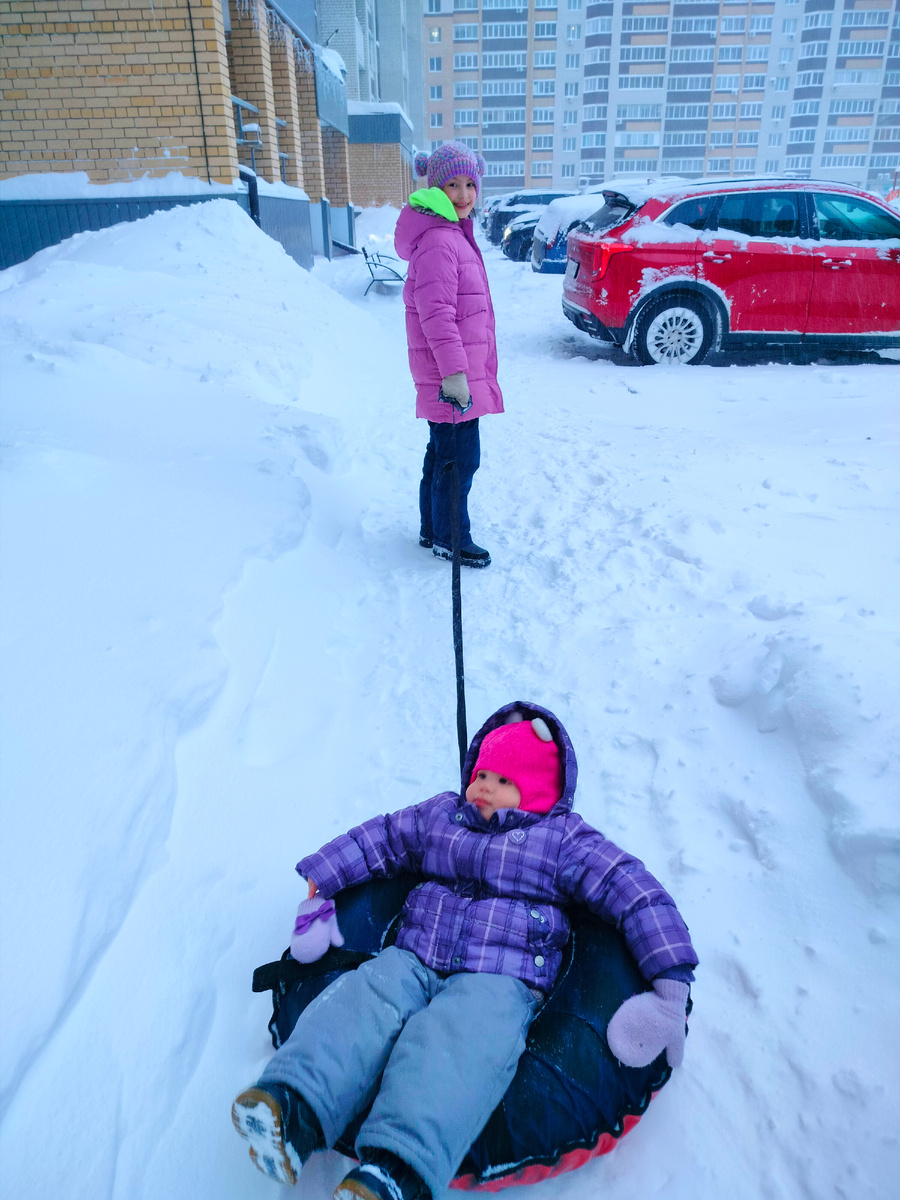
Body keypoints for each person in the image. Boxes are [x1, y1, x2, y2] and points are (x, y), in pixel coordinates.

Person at [232, 703, 698, 1200]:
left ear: (537, 792)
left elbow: (632, 889)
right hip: (413, 955)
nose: (481, 785)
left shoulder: (563, 842)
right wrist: (325, 872)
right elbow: (385, 836)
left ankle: (396, 1170)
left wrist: (670, 976)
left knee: (454, 1049)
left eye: (501, 779)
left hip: (499, 979)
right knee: (362, 1004)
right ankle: (292, 1107)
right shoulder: (442, 817)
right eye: (479, 773)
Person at [393, 142, 503, 569]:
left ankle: (433, 529)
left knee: (443, 454)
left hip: (451, 372)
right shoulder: (442, 240)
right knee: (460, 459)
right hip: (452, 376)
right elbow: (436, 315)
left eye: (470, 184)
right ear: (436, 187)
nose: (463, 194)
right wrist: (456, 374)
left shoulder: (449, 234)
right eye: (452, 185)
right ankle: (451, 539)